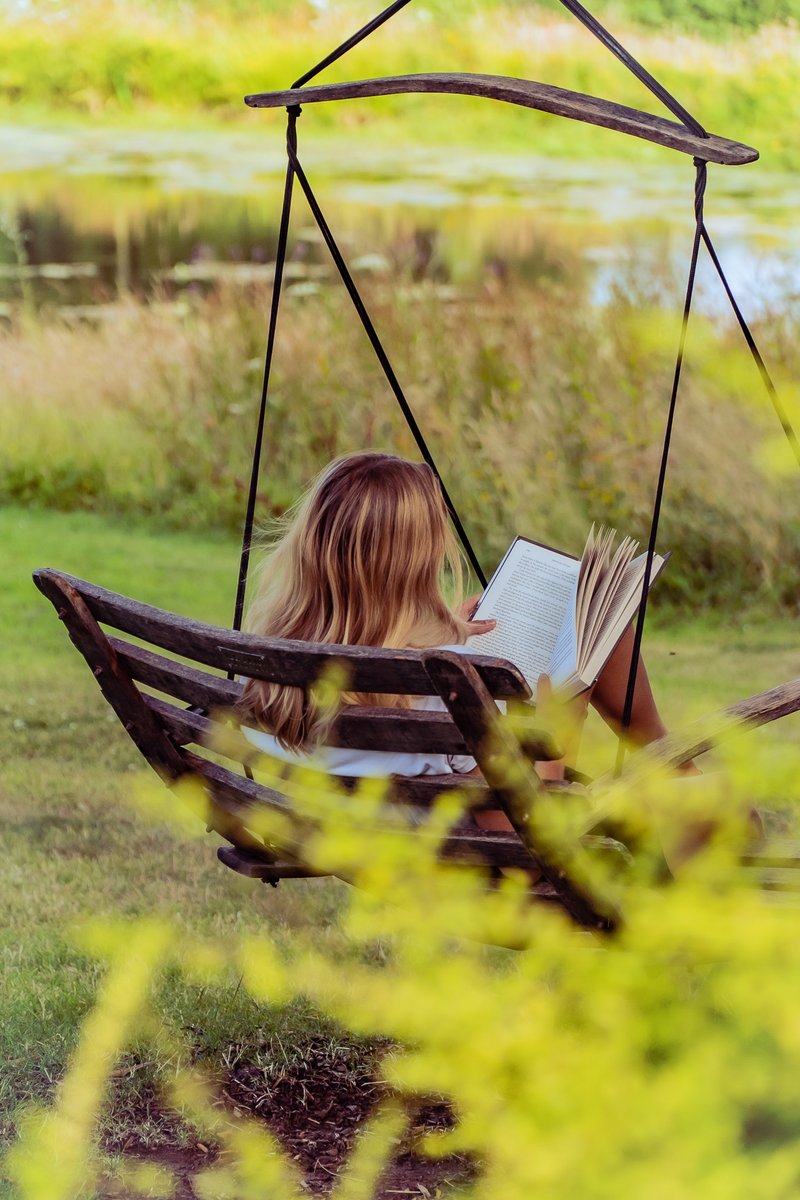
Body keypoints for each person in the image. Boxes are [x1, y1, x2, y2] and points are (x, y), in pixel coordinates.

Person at [239, 452, 677, 834]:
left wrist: (440, 632)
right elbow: (522, 850)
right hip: (473, 861)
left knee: (598, 635)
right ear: (414, 563)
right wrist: (556, 731)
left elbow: (360, 627)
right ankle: (673, 764)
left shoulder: (272, 663)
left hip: (356, 832)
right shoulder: (440, 688)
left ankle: (674, 768)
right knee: (602, 634)